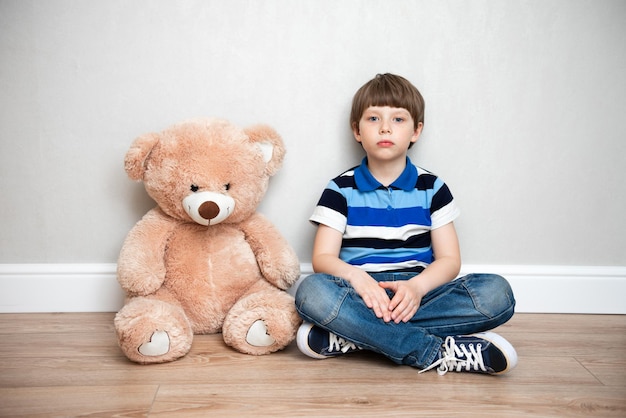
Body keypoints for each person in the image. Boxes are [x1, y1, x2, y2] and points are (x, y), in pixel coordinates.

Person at [294, 73, 517, 375]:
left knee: (496, 294)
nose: (385, 127)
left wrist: (416, 287)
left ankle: (356, 337)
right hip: (360, 293)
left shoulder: (433, 188)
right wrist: (358, 279)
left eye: (398, 119)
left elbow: (450, 260)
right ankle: (433, 351)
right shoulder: (339, 190)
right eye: (373, 118)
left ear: (416, 131)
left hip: (418, 294)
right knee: (311, 293)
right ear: (357, 130)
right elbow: (322, 259)